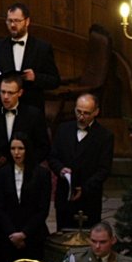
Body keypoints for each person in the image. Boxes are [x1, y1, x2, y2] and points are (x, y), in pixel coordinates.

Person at [48, 93, 114, 231]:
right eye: (78, 112)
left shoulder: (104, 136)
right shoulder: (63, 129)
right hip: (64, 196)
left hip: (89, 198)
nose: (81, 117)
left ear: (96, 112)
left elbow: (104, 169)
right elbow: (53, 157)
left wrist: (84, 188)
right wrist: (60, 169)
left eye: (86, 113)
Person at [0, 133, 51, 262]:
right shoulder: (3, 173)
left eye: (20, 148)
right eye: (13, 148)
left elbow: (42, 209)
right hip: (8, 236)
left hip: (33, 235)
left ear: (28, 149)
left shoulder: (42, 174)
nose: (16, 153)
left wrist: (24, 234)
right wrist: (12, 233)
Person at [0, 3, 61, 112]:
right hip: (3, 108)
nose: (12, 25)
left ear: (27, 22)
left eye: (17, 21)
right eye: (9, 21)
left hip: (32, 107)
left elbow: (55, 81)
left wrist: (35, 77)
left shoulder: (42, 48)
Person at [0, 74, 50, 173]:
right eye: (3, 92)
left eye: (10, 93)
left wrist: (25, 162)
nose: (5, 97)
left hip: (26, 172)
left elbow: (43, 147)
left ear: (20, 92)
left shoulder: (33, 115)